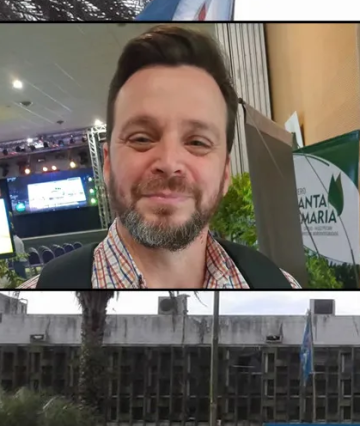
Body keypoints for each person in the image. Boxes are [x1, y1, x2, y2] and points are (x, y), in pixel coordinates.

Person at [20, 25, 300, 289]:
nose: (169, 163)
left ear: (225, 173)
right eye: (142, 138)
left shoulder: (281, 289)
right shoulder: (30, 306)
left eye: (197, 142)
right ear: (108, 162)